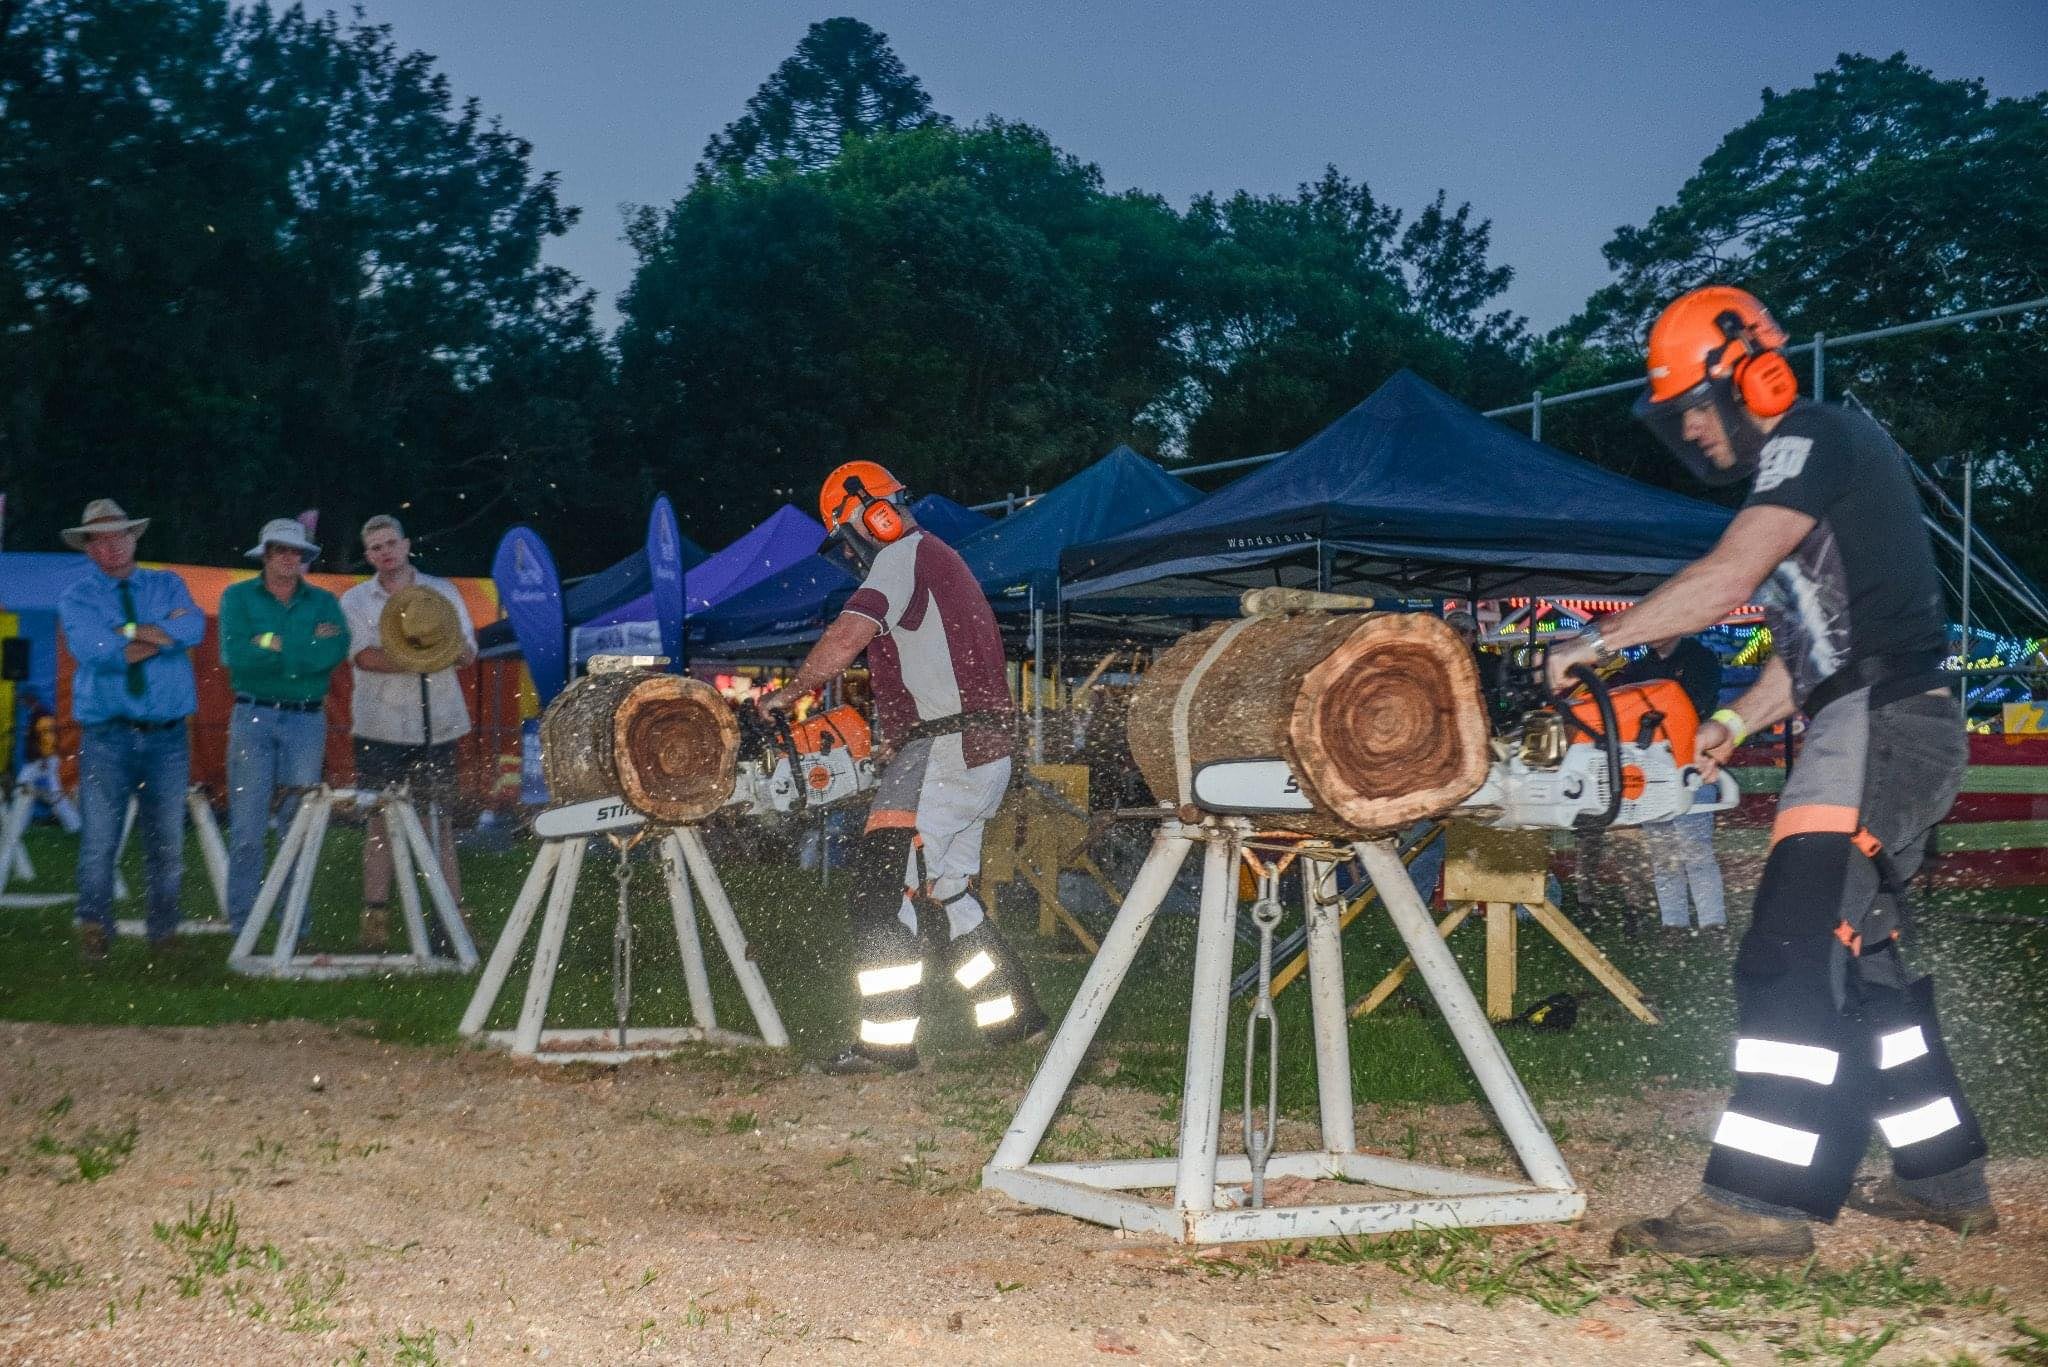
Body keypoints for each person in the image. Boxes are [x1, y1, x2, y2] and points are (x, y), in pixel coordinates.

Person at [1546, 286, 1990, 1256]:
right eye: (1679, 418)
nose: (1694, 429)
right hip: (1871, 716)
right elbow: (1814, 647)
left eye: (1698, 405)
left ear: (1755, 370)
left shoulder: (1811, 436)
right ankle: (1943, 1175)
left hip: (1880, 727)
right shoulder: (1809, 482)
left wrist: (1600, 639)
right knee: (1861, 965)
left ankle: (1760, 1201)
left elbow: (1724, 578)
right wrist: (1730, 719)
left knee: (1787, 948)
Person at [757, 460, 1046, 1074]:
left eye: (848, 536)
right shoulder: (935, 557)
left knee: (883, 885)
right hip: (970, 749)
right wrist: (902, 739)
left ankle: (887, 1048)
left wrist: (795, 690)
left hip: (951, 750)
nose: (852, 552)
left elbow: (848, 633)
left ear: (871, 512)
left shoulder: (904, 554)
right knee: (950, 890)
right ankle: (1014, 1021)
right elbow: (935, 660)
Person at [55, 499, 204, 957]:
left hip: (167, 735)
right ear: (89, 548)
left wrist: (125, 631)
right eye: (100, 538)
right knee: (100, 840)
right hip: (108, 734)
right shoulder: (77, 597)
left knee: (168, 843)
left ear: (133, 537)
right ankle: (94, 928)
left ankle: (164, 931)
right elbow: (96, 652)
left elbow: (194, 627)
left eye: (119, 534)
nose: (112, 544)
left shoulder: (169, 582)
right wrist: (162, 636)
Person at [340, 514, 476, 950]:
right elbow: (365, 658)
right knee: (380, 822)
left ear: (406, 545)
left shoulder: (444, 591)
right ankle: (374, 924)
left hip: (438, 727)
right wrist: (428, 653)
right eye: (376, 547)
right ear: (368, 556)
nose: (385, 552)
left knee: (440, 823)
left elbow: (467, 652)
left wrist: (428, 649)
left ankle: (451, 924)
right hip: (379, 727)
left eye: (390, 544)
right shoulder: (356, 600)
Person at [218, 518, 350, 933]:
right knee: (247, 825)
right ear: (266, 556)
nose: (289, 558)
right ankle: (243, 923)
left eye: (296, 552)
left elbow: (336, 651)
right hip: (253, 715)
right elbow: (233, 655)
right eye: (280, 551)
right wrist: (306, 647)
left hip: (307, 718)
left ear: (304, 558)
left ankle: (295, 922)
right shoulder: (236, 597)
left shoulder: (326, 602)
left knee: (299, 824)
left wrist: (272, 644)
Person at [1617, 635, 1728, 934]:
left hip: (1692, 760)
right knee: (1662, 849)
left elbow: (1694, 706)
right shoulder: (1641, 666)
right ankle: (1674, 923)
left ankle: (1712, 922)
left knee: (1696, 848)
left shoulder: (1699, 659)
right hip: (1653, 764)